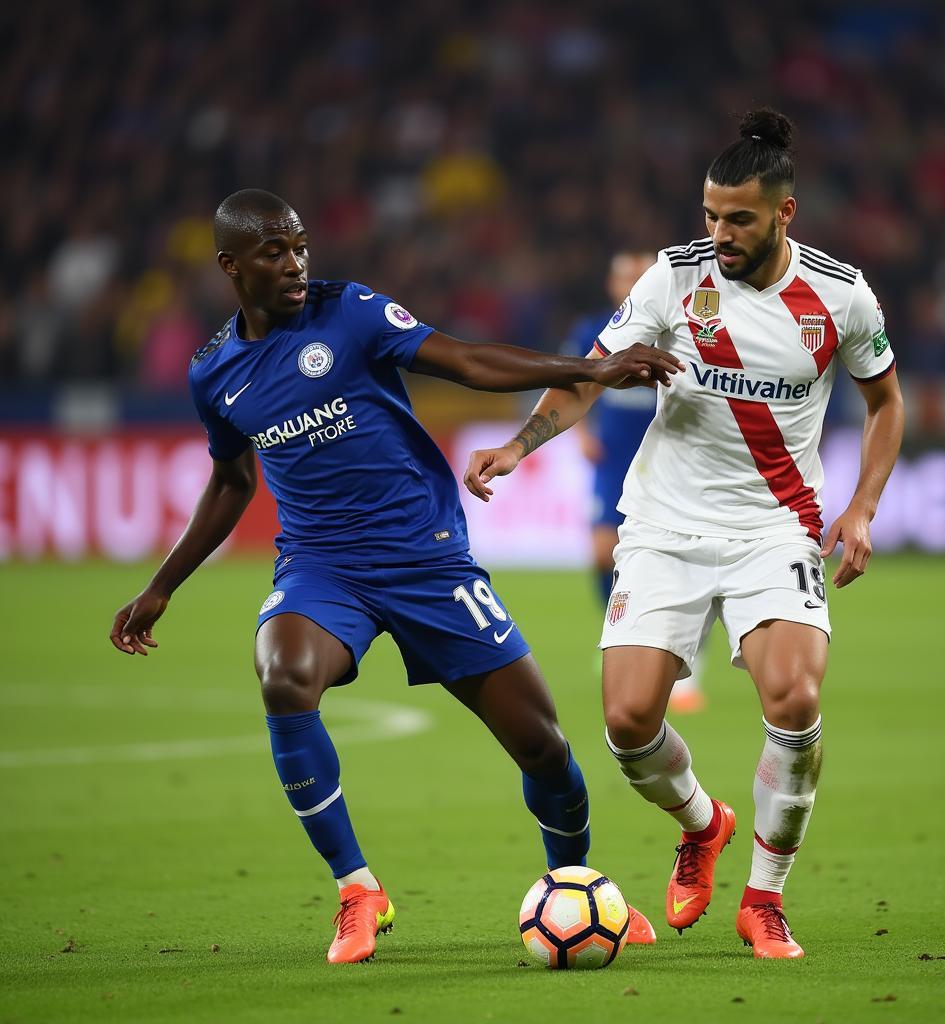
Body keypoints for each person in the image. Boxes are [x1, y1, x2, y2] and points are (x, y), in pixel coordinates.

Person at [108, 189, 678, 964]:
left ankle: (573, 881)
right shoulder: (215, 374)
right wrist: (162, 585)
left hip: (425, 557)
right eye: (274, 251)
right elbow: (232, 483)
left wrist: (591, 369)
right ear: (230, 266)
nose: (295, 262)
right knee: (282, 675)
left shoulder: (350, 312)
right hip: (321, 566)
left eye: (300, 244)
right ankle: (357, 890)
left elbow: (468, 359)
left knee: (544, 748)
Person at [464, 109, 904, 959]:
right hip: (664, 525)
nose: (719, 232)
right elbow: (589, 379)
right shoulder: (671, 280)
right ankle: (701, 825)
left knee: (796, 700)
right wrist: (519, 446)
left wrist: (861, 508)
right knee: (627, 725)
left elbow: (887, 403)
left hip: (776, 528)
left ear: (785, 213)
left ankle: (764, 899)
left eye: (738, 217)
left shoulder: (841, 295)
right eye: (709, 214)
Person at [565, 251, 705, 715]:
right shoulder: (595, 332)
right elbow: (573, 383)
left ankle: (688, 661)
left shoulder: (674, 328)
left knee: (683, 564)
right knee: (603, 553)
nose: (629, 283)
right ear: (611, 283)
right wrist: (582, 435)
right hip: (613, 461)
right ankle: (619, 634)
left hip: (667, 462)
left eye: (637, 276)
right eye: (623, 274)